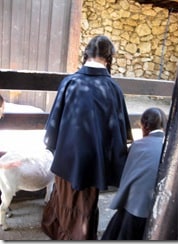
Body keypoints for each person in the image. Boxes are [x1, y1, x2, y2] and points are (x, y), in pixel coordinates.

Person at [41, 35, 133, 240]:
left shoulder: (70, 83)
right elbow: (119, 134)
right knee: (85, 208)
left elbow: (53, 128)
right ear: (109, 58)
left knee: (64, 200)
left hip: (67, 160)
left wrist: (57, 149)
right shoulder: (113, 89)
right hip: (94, 166)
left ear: (86, 54)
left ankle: (61, 233)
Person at [101, 107, 167, 240]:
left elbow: (126, 175)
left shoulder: (138, 146)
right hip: (161, 207)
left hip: (136, 208)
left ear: (145, 126)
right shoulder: (169, 146)